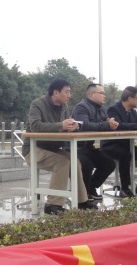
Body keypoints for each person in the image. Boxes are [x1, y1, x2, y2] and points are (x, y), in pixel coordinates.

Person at [22, 79, 98, 215]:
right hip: (34, 149)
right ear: (56, 93)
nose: (69, 95)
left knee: (75, 162)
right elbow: (35, 127)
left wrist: (73, 126)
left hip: (53, 149)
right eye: (67, 92)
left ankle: (82, 201)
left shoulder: (64, 106)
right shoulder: (37, 104)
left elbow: (65, 125)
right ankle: (52, 204)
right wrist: (61, 125)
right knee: (62, 162)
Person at [70, 83, 118, 200]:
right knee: (87, 164)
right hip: (77, 147)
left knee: (109, 164)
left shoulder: (101, 108)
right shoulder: (81, 107)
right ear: (91, 95)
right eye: (101, 93)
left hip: (90, 147)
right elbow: (85, 126)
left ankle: (90, 188)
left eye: (104, 93)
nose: (104, 96)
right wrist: (107, 124)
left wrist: (111, 123)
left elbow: (105, 121)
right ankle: (83, 197)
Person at [101, 86, 137, 197]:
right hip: (111, 145)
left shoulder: (132, 111)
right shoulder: (114, 109)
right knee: (125, 154)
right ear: (129, 98)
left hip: (127, 144)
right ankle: (125, 187)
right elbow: (118, 126)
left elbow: (135, 124)